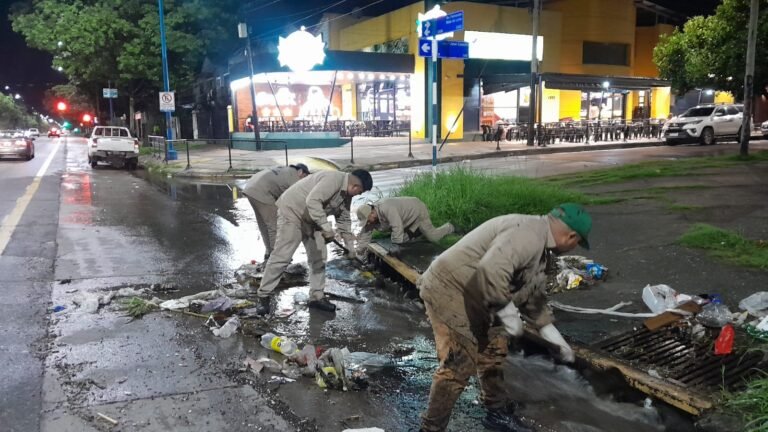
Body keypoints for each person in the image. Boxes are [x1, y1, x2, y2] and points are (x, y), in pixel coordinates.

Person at [418, 203, 592, 432]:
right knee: (459, 364)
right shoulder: (527, 234)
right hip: (450, 289)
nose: (573, 248)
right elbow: (491, 271)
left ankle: (496, 407)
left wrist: (550, 332)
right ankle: (431, 428)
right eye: (576, 243)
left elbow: (532, 295)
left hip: (479, 295)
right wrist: (509, 313)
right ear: (571, 236)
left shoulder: (542, 248)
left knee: (494, 350)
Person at [256, 169, 373, 315]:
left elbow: (343, 218)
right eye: (360, 192)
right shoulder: (333, 179)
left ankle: (316, 298)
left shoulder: (346, 195)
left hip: (313, 219)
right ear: (356, 186)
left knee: (319, 257)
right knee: (282, 256)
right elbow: (313, 201)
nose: (358, 195)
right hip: (293, 213)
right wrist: (326, 227)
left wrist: (350, 247)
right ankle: (263, 297)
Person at [242, 164, 310, 261]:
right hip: (262, 191)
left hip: (250, 188)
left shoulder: (285, 170)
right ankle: (277, 257)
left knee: (264, 225)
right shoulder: (294, 178)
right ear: (300, 172)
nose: (304, 180)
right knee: (274, 225)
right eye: (305, 177)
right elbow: (298, 201)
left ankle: (269, 252)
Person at [355, 197, 454, 257]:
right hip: (405, 219)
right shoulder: (372, 218)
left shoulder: (387, 208)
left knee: (433, 237)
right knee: (402, 240)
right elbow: (365, 235)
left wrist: (395, 245)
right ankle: (415, 231)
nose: (367, 223)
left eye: (367, 220)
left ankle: (450, 227)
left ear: (372, 212)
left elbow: (397, 227)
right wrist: (357, 253)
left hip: (417, 211)